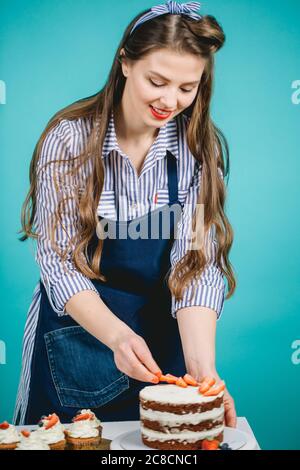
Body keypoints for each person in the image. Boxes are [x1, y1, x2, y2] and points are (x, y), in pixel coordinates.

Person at [13, 0, 237, 427]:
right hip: (78, 344)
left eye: (187, 88)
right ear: (125, 63)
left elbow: (195, 265)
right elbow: (59, 263)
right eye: (158, 81)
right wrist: (117, 337)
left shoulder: (197, 152)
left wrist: (203, 369)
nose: (170, 101)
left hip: (166, 344)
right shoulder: (70, 141)